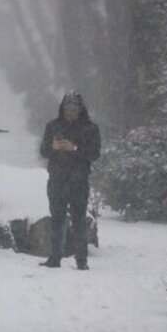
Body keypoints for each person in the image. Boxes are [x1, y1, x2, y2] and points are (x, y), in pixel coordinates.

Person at [38, 90, 101, 269]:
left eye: (74, 108)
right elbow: (43, 151)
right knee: (57, 219)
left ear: (80, 109)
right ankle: (54, 258)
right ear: (62, 108)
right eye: (67, 107)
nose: (70, 111)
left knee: (79, 220)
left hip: (79, 181)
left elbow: (94, 154)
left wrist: (74, 148)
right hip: (57, 178)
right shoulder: (52, 126)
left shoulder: (90, 129)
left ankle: (81, 260)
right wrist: (53, 146)